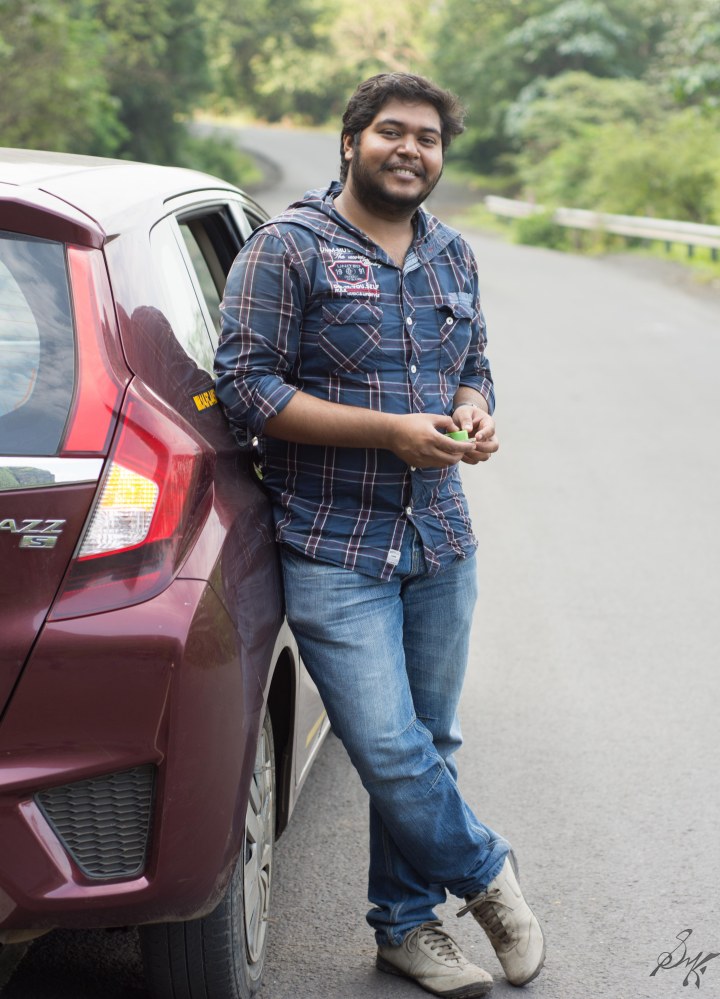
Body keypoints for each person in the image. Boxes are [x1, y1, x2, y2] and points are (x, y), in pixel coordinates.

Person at [215, 72, 545, 998]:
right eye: (392, 132)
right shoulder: (291, 250)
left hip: (441, 538)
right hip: (332, 541)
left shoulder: (454, 257)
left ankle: (404, 927)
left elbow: (472, 361)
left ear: (442, 155)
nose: (411, 150)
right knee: (389, 746)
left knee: (430, 741)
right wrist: (388, 431)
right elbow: (249, 389)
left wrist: (477, 410)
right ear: (351, 141)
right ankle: (488, 875)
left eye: (428, 138)